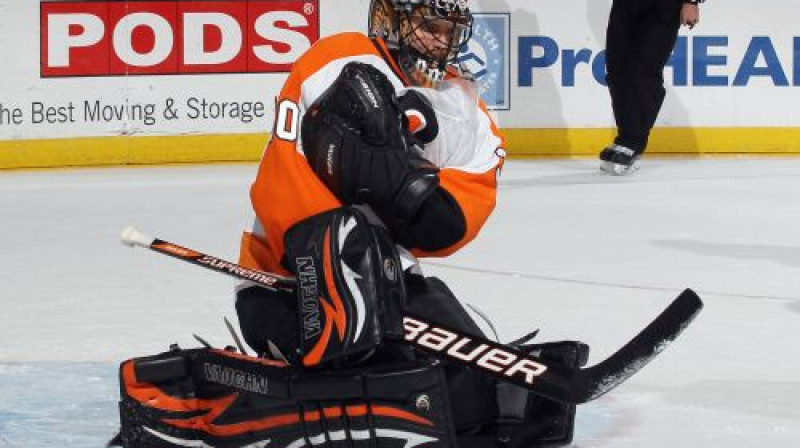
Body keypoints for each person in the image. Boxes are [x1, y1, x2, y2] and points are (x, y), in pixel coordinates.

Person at [112, 2, 587, 447]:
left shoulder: (465, 107)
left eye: (449, 32)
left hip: (391, 283)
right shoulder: (342, 55)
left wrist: (409, 185)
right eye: (428, 26)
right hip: (289, 282)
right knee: (349, 257)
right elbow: (338, 136)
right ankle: (217, 402)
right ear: (386, 17)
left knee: (467, 398)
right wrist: (405, 182)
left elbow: (446, 222)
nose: (439, 44)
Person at [600, 0, 706, 175]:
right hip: (625, 5)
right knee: (617, 69)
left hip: (664, 6)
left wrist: (691, 2)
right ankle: (625, 137)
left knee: (642, 70)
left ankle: (632, 142)